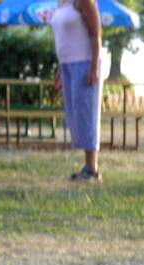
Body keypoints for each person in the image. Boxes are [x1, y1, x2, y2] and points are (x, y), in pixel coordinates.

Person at [51, 0, 102, 182]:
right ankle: (87, 167)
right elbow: (65, 37)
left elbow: (96, 34)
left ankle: (92, 168)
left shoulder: (84, 1)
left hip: (85, 63)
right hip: (67, 64)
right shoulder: (61, 3)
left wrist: (94, 68)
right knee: (75, 115)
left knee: (87, 114)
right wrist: (60, 70)